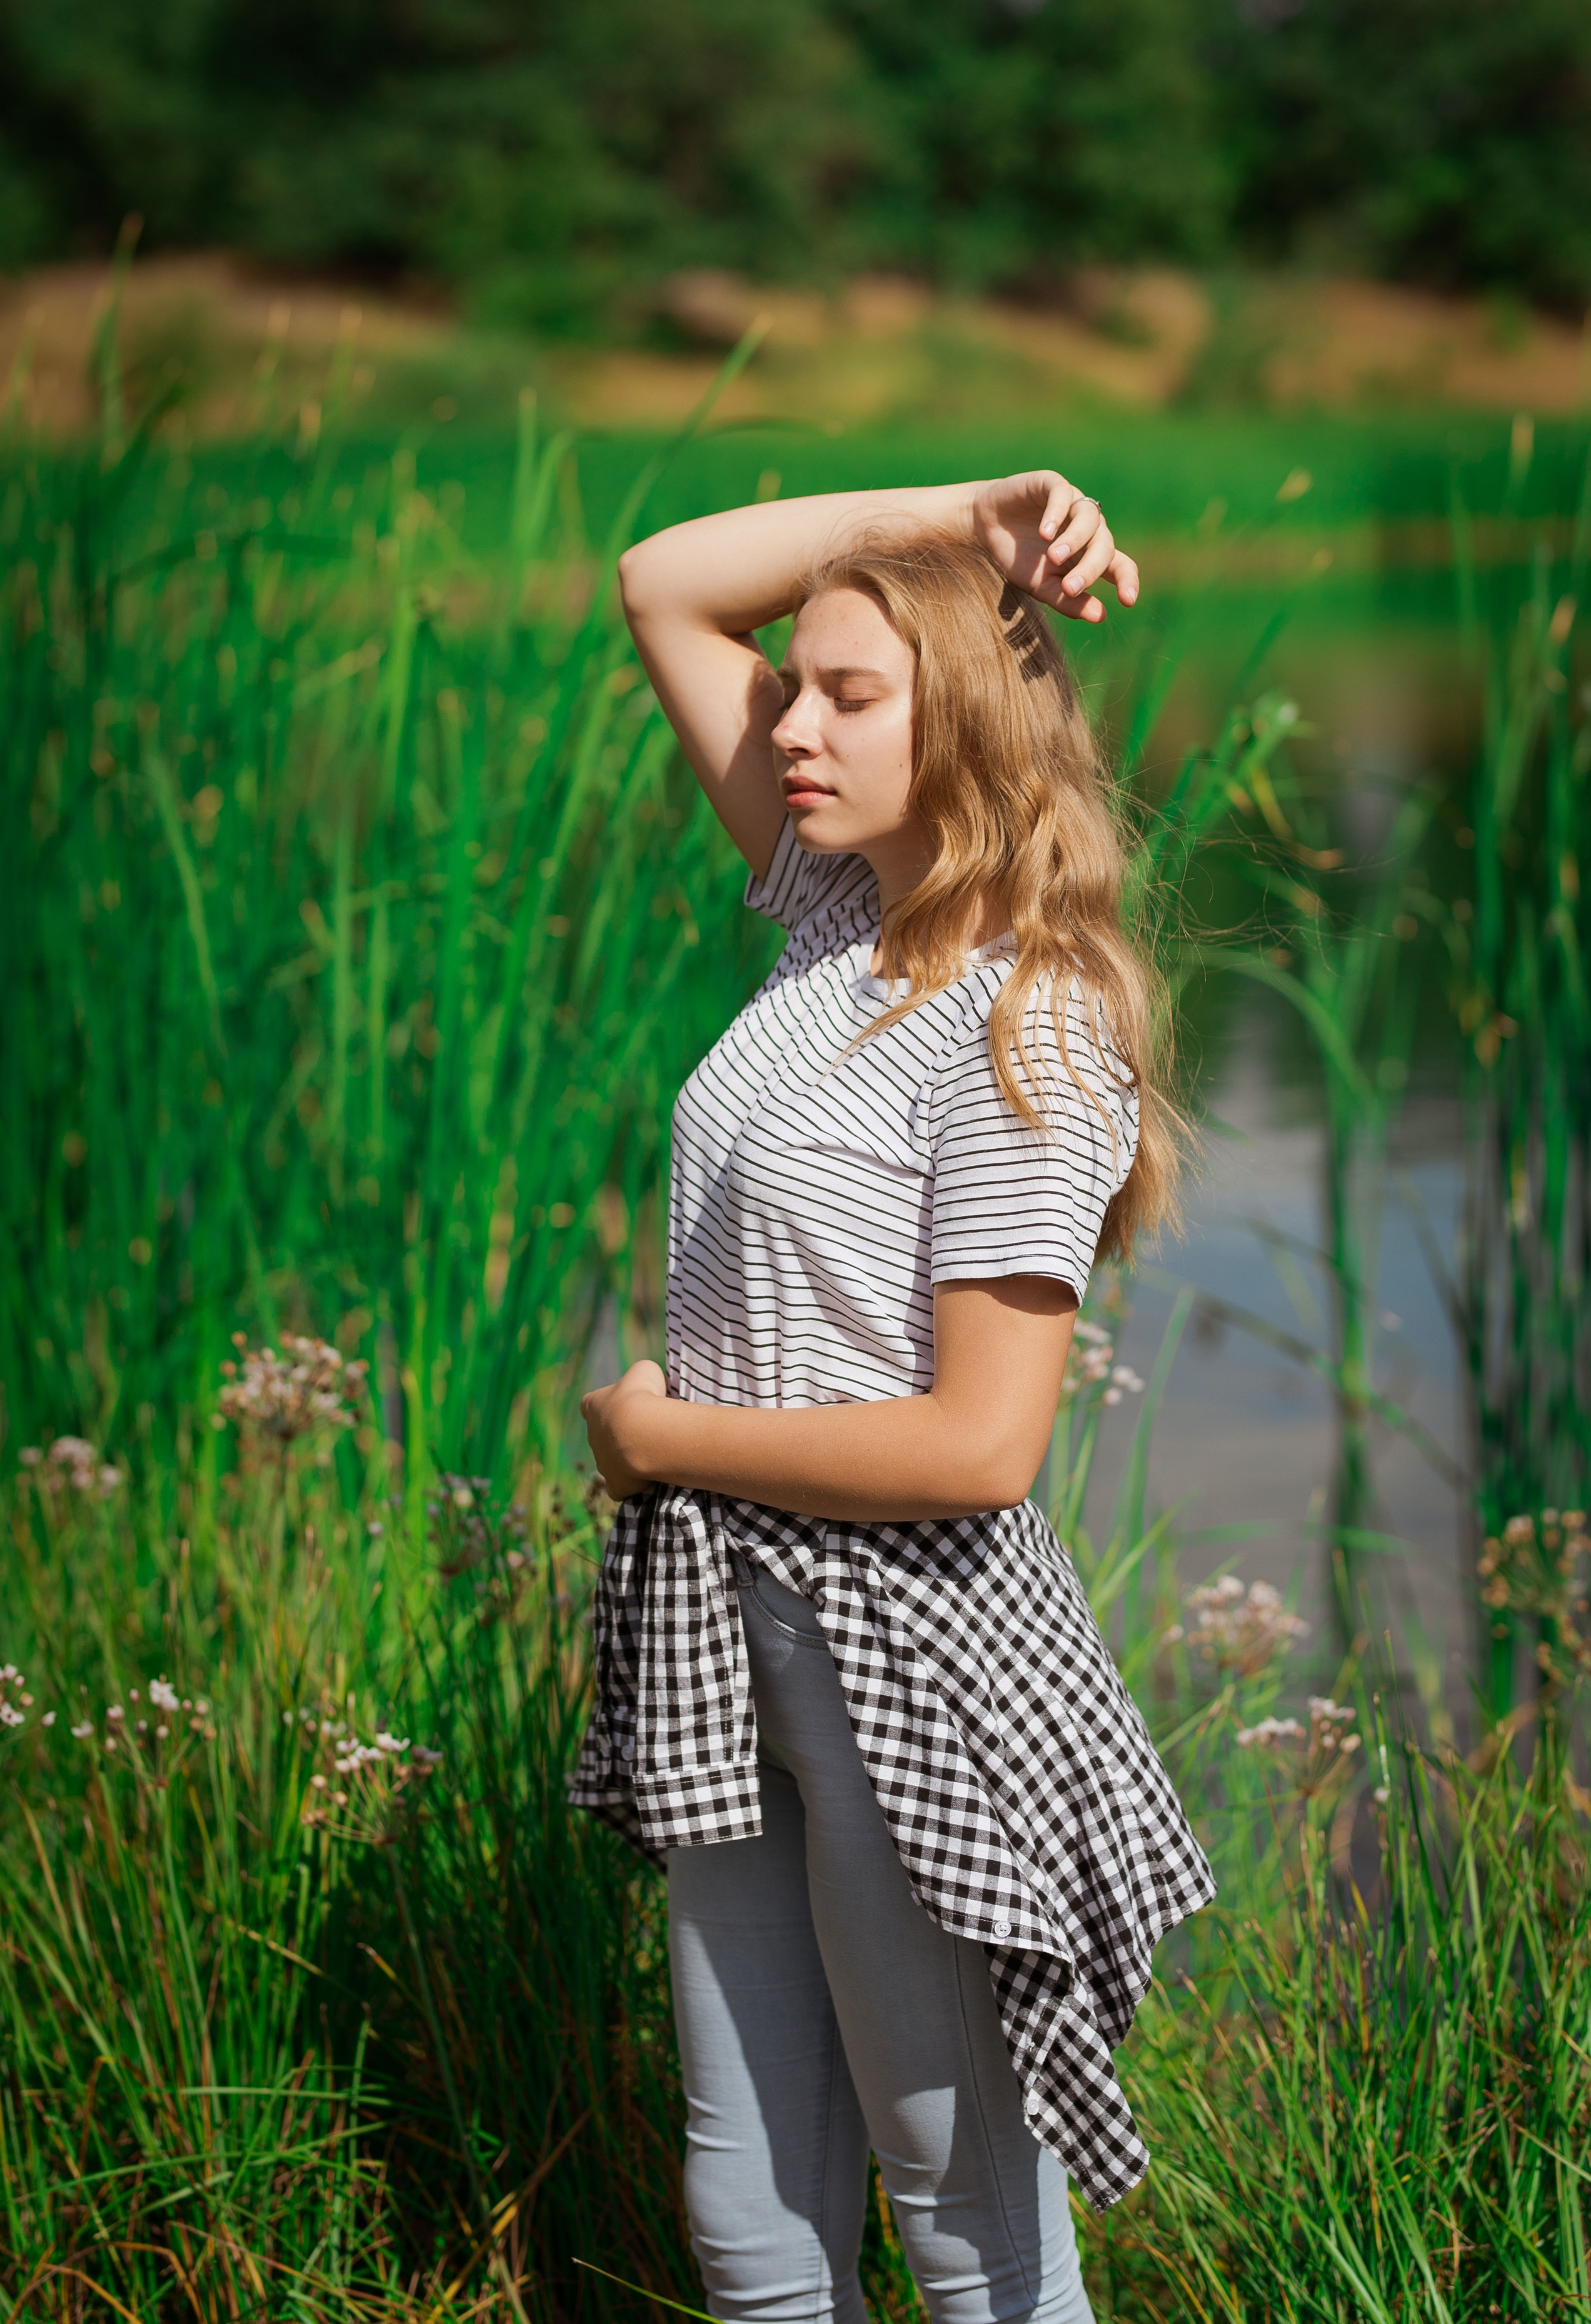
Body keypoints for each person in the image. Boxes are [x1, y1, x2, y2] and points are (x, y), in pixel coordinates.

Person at [570, 473, 1214, 2324]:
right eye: (794, 690)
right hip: (722, 1611)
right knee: (747, 2213)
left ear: (974, 721)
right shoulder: (824, 912)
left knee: (962, 2211)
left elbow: (980, 1446)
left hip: (904, 1647)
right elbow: (666, 582)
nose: (792, 727)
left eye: (852, 693)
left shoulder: (1037, 1014)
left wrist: (663, 1436)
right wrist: (977, 506)